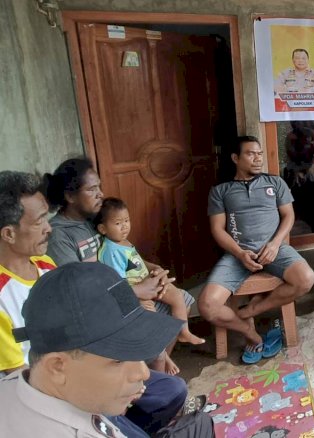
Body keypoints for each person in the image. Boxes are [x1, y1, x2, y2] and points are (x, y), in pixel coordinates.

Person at [41, 158, 190, 435]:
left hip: (119, 296)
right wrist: (136, 290)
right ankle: (148, 388)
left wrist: (150, 272)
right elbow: (78, 289)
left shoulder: (92, 221)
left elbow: (122, 250)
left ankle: (154, 382)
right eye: (91, 189)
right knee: (153, 325)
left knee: (179, 300)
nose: (99, 194)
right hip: (100, 312)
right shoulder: (60, 236)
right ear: (70, 196)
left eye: (99, 187)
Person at [0, 262, 208, 437]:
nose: (143, 372)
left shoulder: (22, 384)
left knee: (172, 391)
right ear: (57, 366)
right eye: (118, 359)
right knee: (200, 426)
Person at [198, 135, 314, 365]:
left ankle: (250, 310)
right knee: (207, 306)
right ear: (235, 158)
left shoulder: (275, 183)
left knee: (306, 279)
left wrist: (274, 244)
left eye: (259, 153)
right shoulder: (221, 191)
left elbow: (289, 216)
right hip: (236, 255)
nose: (258, 158)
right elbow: (218, 229)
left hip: (275, 250)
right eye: (251, 154)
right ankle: (250, 333)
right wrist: (240, 253)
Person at [95, 197, 205, 375]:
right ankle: (165, 358)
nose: (124, 227)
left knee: (177, 295)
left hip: (149, 282)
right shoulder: (110, 251)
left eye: (126, 221)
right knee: (153, 321)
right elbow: (118, 283)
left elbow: (138, 262)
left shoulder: (124, 242)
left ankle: (184, 331)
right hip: (138, 293)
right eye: (118, 223)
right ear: (102, 228)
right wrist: (139, 297)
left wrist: (155, 269)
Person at [0, 171, 54, 376]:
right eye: (39, 221)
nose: (49, 228)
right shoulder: (2, 296)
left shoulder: (46, 265)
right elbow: (16, 374)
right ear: (9, 234)